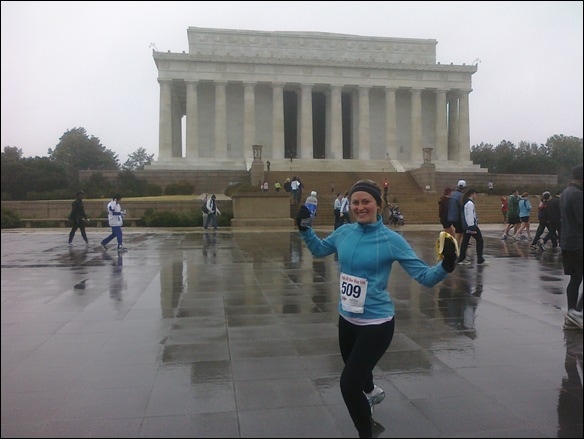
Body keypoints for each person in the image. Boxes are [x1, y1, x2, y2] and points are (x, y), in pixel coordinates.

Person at [295, 179, 458, 438]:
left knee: (349, 385)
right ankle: (371, 392)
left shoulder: (391, 240)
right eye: (355, 202)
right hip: (346, 319)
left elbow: (425, 277)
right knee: (358, 373)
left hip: (376, 324)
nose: (360, 207)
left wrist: (447, 264)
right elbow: (318, 249)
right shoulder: (344, 232)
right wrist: (305, 228)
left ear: (379, 205)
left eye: (366, 202)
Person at [559, 164, 583, 329]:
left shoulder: (566, 192)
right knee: (576, 278)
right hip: (579, 242)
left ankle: (572, 315)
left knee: (575, 279)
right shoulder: (578, 194)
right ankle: (576, 312)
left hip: (568, 242)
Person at [457, 188, 488, 266]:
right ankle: (480, 259)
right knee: (480, 240)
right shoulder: (470, 203)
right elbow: (470, 215)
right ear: (472, 194)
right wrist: (472, 226)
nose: (476, 195)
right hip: (471, 226)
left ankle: (461, 258)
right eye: (475, 194)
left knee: (465, 241)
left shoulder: (465, 202)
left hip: (466, 226)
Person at [447, 179, 466, 246]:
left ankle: (457, 247)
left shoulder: (452, 195)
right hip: (459, 218)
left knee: (457, 233)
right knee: (459, 234)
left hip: (452, 217)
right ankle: (456, 248)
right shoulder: (462, 196)